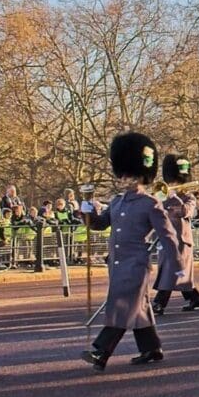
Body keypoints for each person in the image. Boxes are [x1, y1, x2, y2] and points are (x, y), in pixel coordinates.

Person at [79, 132, 183, 372]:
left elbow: (168, 236)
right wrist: (86, 212)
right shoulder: (116, 202)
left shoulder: (150, 204)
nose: (127, 179)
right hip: (117, 263)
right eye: (124, 175)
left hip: (136, 264)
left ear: (142, 177)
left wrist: (176, 267)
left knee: (122, 304)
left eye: (132, 175)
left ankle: (101, 351)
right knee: (138, 307)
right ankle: (151, 348)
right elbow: (100, 224)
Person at [152, 155, 199, 314]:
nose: (172, 185)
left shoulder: (188, 197)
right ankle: (194, 297)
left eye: (175, 183)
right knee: (175, 273)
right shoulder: (163, 198)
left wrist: (174, 196)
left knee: (171, 271)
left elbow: (185, 211)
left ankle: (159, 303)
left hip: (181, 241)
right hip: (166, 239)